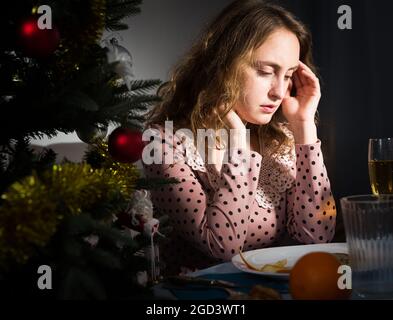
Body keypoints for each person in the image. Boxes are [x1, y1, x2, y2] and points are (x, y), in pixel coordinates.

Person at [143, 0, 336, 276]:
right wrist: (238, 145)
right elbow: (222, 246)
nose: (279, 91)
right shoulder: (164, 143)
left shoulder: (280, 140)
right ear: (224, 65)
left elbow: (316, 237)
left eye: (289, 75)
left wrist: (304, 126)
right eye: (266, 72)